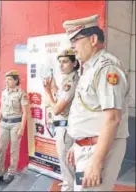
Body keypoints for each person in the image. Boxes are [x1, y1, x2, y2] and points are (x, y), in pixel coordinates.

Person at [62, 14, 130, 191]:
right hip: (87, 147)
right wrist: (78, 142)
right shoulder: (90, 68)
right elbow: (89, 111)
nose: (72, 46)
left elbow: (113, 118)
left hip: (97, 150)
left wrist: (97, 162)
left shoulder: (106, 68)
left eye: (76, 40)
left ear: (92, 39)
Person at [43, 48, 80, 191]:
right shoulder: (67, 80)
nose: (61, 65)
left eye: (65, 62)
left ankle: (68, 188)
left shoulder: (70, 82)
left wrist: (47, 93)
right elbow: (60, 96)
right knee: (69, 165)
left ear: (74, 63)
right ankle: (70, 185)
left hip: (65, 129)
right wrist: (52, 87)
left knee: (67, 165)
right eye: (60, 62)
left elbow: (57, 109)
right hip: (65, 127)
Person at [0, 70, 29, 184]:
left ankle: (11, 173)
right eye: (6, 79)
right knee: (1, 149)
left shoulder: (21, 93)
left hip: (15, 124)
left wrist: (22, 127)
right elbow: (2, 108)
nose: (6, 81)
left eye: (9, 79)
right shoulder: (4, 92)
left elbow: (25, 113)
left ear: (16, 80)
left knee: (14, 150)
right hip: (4, 123)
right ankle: (0, 173)